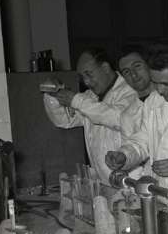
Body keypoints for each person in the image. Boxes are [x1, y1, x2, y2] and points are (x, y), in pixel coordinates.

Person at [105, 41, 168, 187]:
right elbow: (143, 139)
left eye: (165, 84)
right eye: (155, 82)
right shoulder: (153, 100)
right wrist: (125, 155)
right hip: (159, 191)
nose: (159, 90)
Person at [43, 47, 142, 185]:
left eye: (89, 74)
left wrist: (77, 101)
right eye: (82, 77)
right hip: (105, 183)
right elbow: (64, 120)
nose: (86, 82)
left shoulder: (130, 90)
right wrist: (54, 95)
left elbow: (117, 117)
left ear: (105, 68)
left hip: (133, 182)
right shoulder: (90, 97)